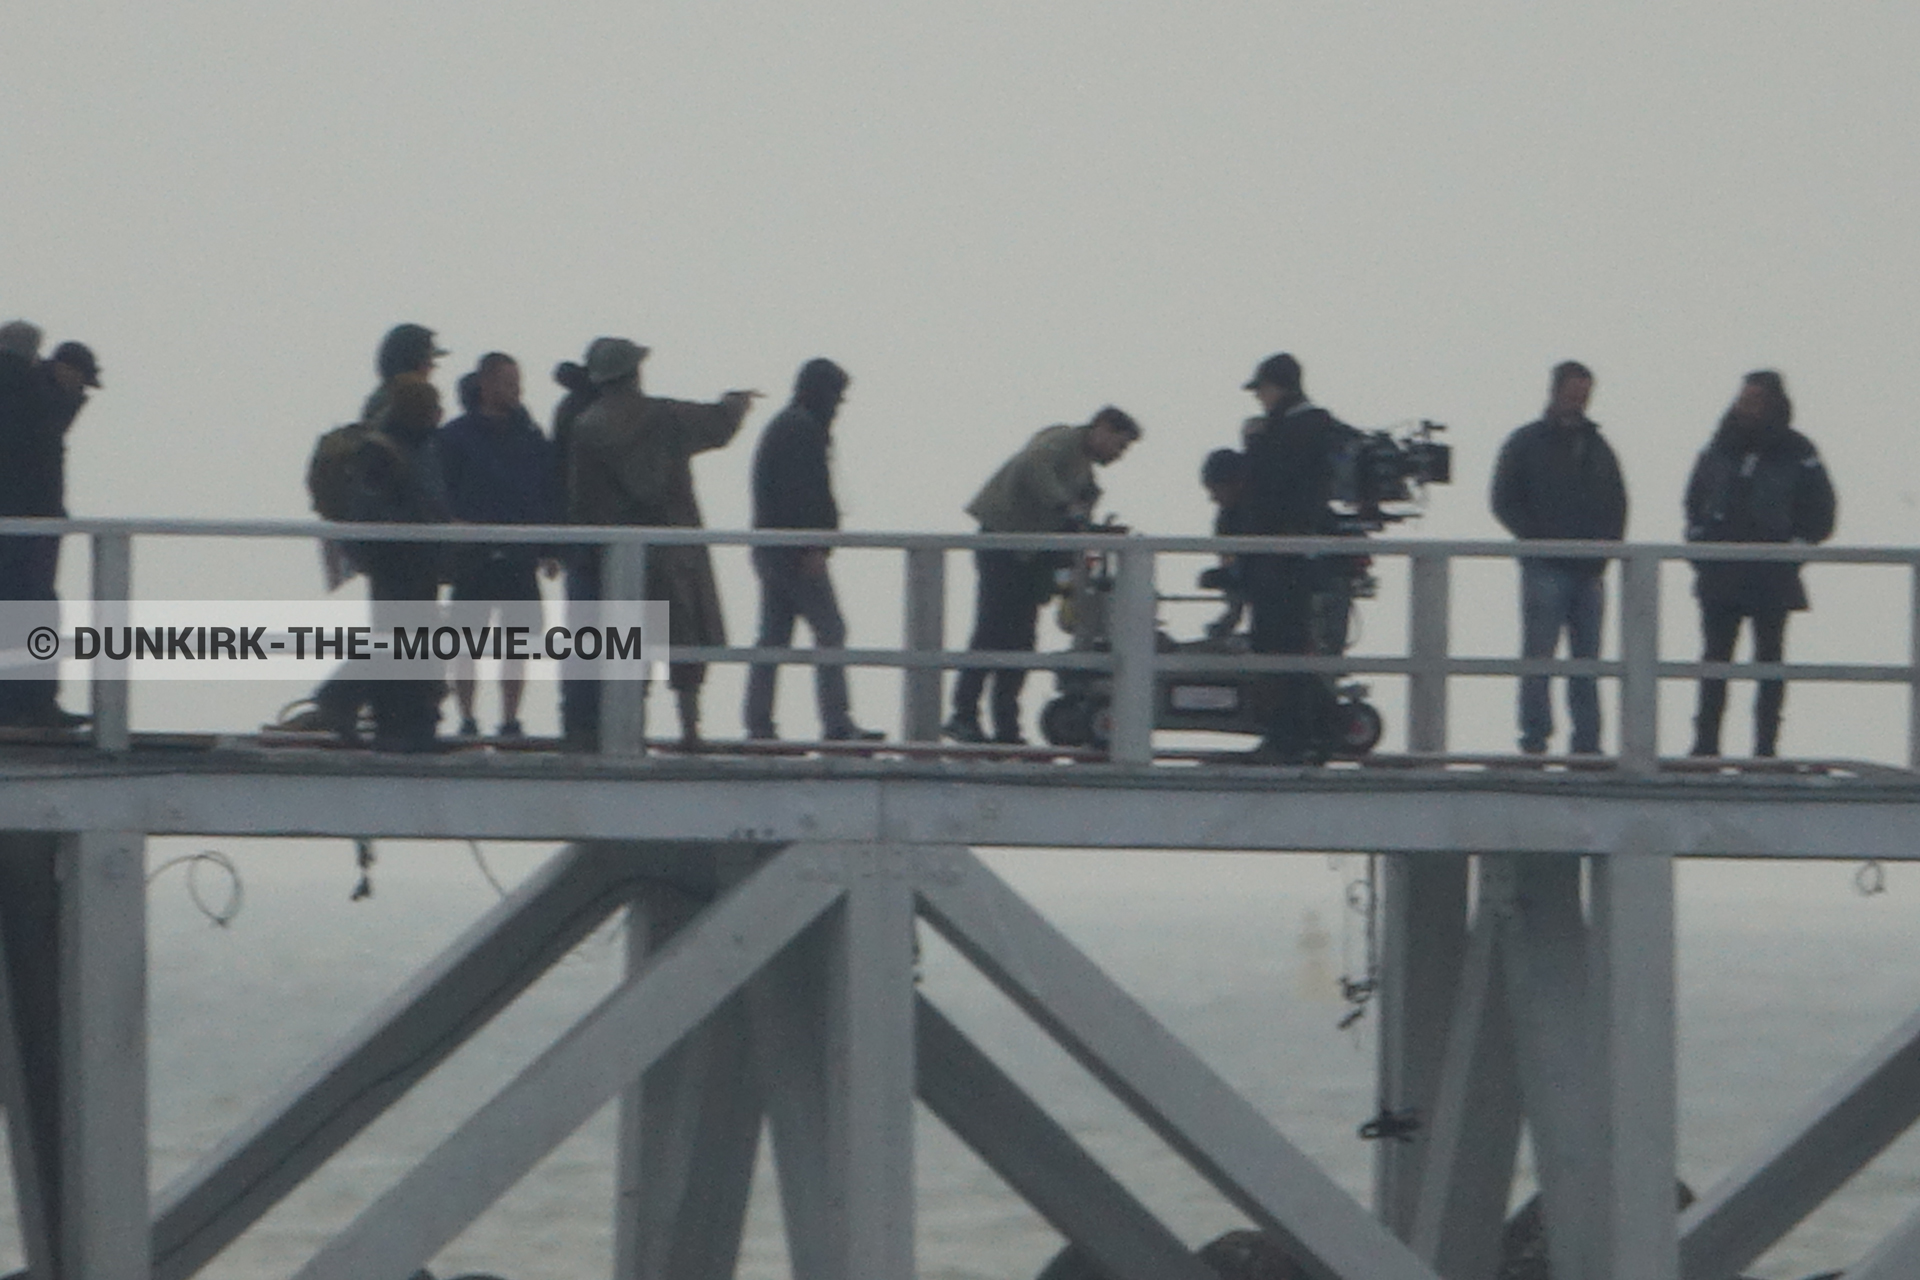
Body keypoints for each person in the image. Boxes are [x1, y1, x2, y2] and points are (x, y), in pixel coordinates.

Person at [567, 338, 756, 748]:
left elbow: (583, 500)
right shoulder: (665, 416)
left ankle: (629, 732)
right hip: (676, 547)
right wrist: (736, 404)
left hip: (620, 553)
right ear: (634, 372)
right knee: (684, 642)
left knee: (630, 648)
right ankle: (690, 731)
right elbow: (718, 426)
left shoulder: (586, 428)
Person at [944, 407, 1141, 745]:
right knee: (991, 631)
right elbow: (1031, 465)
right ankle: (963, 715)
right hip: (1004, 544)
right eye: (1119, 446)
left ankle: (1006, 727)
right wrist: (1066, 508)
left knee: (1021, 640)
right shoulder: (1063, 440)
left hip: (1030, 558)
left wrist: (1087, 529)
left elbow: (1071, 520)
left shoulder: (1084, 473)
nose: (1118, 456)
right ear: (1102, 428)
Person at [1684, 370, 1836, 758]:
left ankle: (1765, 750)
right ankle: (1705, 750)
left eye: (1754, 400)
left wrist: (1793, 551)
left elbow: (1821, 511)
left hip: (1772, 577)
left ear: (1772, 404)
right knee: (1715, 662)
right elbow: (1694, 499)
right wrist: (1700, 542)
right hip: (1721, 576)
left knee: (1769, 663)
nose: (1745, 407)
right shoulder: (1719, 447)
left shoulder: (1799, 452)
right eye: (1743, 399)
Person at [742, 358, 883, 742]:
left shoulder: (788, 425)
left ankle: (759, 725)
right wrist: (813, 546)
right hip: (794, 552)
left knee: (773, 637)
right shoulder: (801, 430)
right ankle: (836, 724)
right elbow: (801, 496)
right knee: (830, 629)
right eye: (837, 396)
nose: (838, 406)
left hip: (773, 549)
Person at [1490, 360, 1627, 755]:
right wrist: (1537, 539)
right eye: (1573, 392)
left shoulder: (1599, 448)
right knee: (1540, 657)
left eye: (1584, 393)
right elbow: (1503, 500)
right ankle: (1535, 738)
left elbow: (1618, 502)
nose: (1579, 400)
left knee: (1587, 662)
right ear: (1555, 390)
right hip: (1545, 566)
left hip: (1590, 570)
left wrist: (1607, 549)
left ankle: (1586, 744)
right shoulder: (1525, 443)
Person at [437, 352, 559, 738]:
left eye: (518, 382)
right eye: (508, 382)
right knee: (464, 642)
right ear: (486, 384)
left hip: (520, 554)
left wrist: (549, 546)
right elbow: (440, 493)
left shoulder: (531, 437)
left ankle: (510, 720)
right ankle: (468, 718)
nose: (517, 391)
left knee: (518, 643)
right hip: (472, 554)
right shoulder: (455, 436)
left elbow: (545, 491)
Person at [1239, 353, 1354, 762]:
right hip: (1309, 554)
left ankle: (1287, 735)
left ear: (1276, 388)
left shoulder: (1284, 433)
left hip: (1280, 559)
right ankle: (1316, 730)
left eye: (1262, 391)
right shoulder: (1329, 429)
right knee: (1308, 645)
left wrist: (1254, 442)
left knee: (1280, 645)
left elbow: (1265, 487)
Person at [0, 325, 97, 729]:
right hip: (28, 523)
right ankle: (31, 704)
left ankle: (27, 703)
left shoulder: (31, 393)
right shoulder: (29, 393)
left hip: (31, 522)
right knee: (31, 608)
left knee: (27, 609)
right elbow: (32, 445)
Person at [1198, 447, 1251, 639]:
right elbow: (1227, 559)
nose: (1213, 498)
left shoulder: (1261, 513)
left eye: (1215, 489)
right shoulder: (1225, 518)